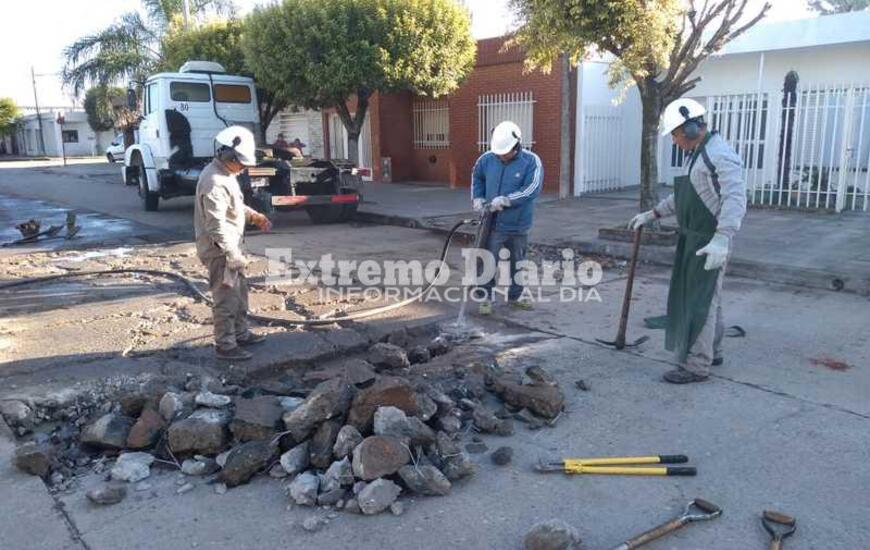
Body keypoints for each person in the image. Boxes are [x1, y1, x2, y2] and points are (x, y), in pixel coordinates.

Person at [629, 98, 747, 384]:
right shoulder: (698, 153)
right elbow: (683, 196)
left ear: (692, 128)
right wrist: (653, 213)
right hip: (694, 237)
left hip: (710, 239)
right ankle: (712, 351)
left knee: (699, 302)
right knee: (709, 299)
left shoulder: (719, 155)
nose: (674, 139)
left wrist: (723, 238)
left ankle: (696, 366)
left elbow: (736, 198)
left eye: (676, 133)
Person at [194, 125, 273, 361]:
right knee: (226, 297)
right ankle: (226, 345)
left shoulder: (226, 175)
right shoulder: (213, 181)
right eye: (241, 163)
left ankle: (240, 332)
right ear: (228, 156)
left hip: (232, 248)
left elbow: (235, 206)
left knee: (240, 294)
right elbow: (215, 225)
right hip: (221, 252)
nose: (243, 169)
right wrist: (231, 254)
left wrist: (254, 216)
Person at [471, 120, 543, 315]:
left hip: (518, 223)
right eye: (498, 153)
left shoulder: (531, 161)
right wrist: (477, 197)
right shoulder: (487, 159)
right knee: (488, 262)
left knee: (517, 262)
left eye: (505, 152)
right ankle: (485, 298)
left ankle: (515, 297)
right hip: (492, 223)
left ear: (516, 145)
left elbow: (532, 189)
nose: (501, 155)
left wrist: (506, 200)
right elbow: (477, 176)